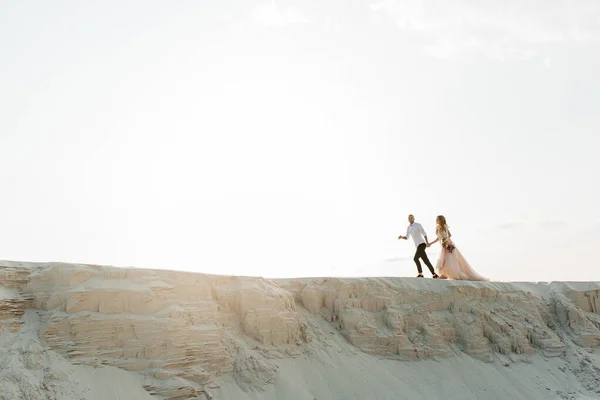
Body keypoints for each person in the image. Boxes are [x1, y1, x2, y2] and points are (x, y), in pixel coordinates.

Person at [427, 215, 488, 281]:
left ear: (440, 220)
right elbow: (447, 236)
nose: (436, 221)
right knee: (445, 259)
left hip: (447, 244)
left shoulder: (442, 227)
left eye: (437, 219)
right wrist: (440, 241)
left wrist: (445, 240)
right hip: (445, 244)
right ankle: (444, 275)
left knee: (448, 260)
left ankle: (445, 275)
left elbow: (446, 236)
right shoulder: (442, 227)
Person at [398, 214, 439, 278]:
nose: (410, 219)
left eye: (411, 218)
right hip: (417, 246)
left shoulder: (417, 225)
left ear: (414, 218)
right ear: (408, 220)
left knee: (415, 258)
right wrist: (401, 237)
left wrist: (427, 242)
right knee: (426, 261)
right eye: (409, 218)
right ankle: (434, 274)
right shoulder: (408, 228)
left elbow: (424, 233)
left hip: (422, 244)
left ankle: (420, 274)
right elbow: (407, 237)